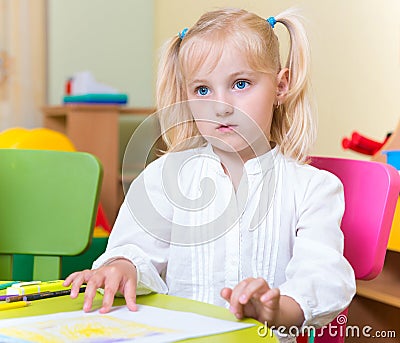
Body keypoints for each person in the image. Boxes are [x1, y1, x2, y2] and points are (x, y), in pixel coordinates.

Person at [64, 7, 355, 342]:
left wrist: (274, 310)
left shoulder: (313, 189)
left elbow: (321, 278)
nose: (221, 106)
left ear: (281, 86)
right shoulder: (163, 177)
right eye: (202, 90)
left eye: (241, 84)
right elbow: (136, 251)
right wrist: (120, 268)